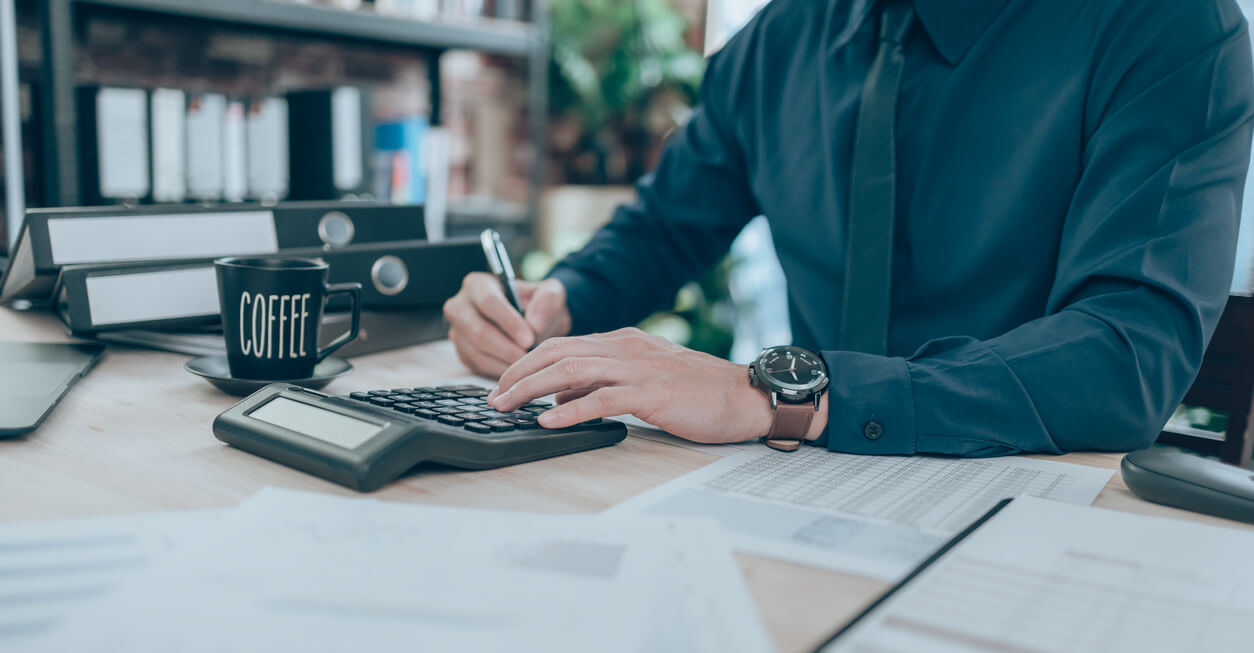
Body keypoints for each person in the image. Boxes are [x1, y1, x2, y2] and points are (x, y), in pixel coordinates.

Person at [443, 0, 1254, 456]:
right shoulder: (776, 42)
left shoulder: (1170, 28)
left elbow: (1126, 358)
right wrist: (558, 302)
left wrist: (777, 396)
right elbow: (664, 230)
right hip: (804, 493)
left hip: (1040, 510)